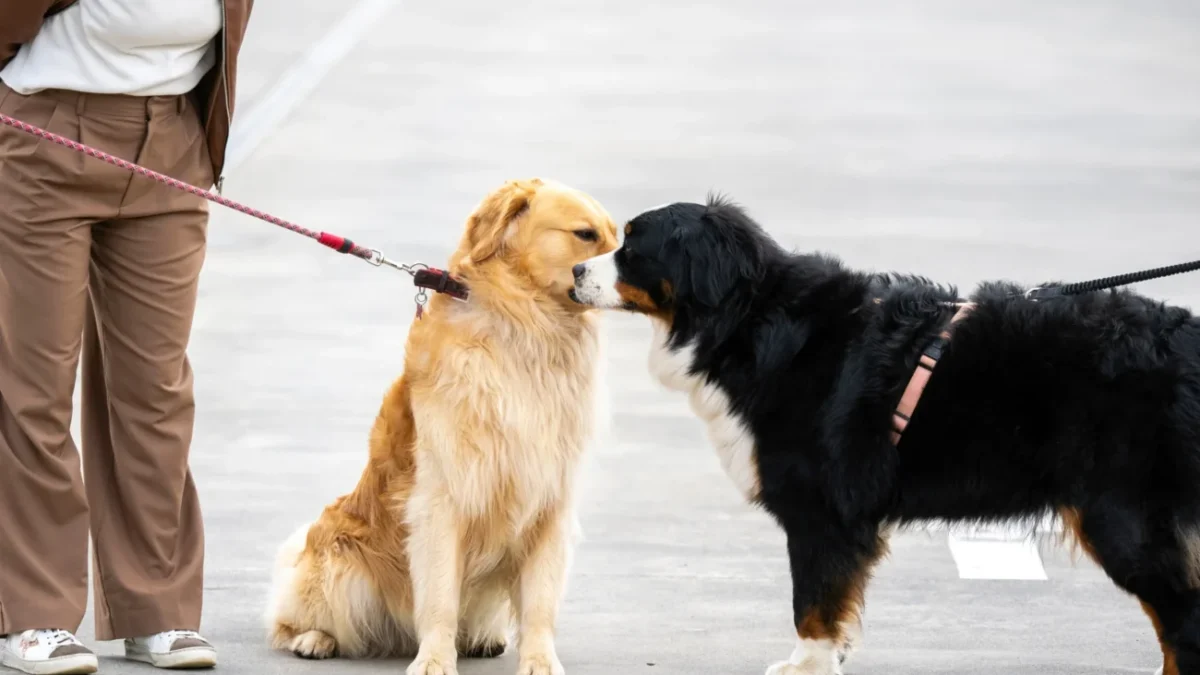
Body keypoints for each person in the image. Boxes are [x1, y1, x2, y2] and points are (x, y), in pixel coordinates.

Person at [0, 1, 253, 673]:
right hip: (45, 130)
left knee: (156, 388)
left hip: (171, 139)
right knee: (34, 386)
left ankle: (155, 609)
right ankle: (35, 613)